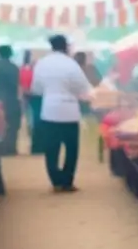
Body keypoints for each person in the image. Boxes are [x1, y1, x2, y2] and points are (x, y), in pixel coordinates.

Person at [31, 35, 93, 192]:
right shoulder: (71, 64)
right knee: (71, 148)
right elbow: (82, 88)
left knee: (51, 148)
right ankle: (67, 181)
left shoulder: (42, 64)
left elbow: (36, 88)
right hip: (69, 112)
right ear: (65, 46)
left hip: (49, 111)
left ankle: (55, 180)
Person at [0, 45, 22, 156]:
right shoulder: (14, 67)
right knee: (13, 126)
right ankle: (11, 148)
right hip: (12, 100)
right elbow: (17, 85)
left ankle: (0, 148)